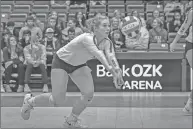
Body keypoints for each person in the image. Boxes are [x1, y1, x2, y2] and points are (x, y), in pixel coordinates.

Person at [20, 15, 124, 128]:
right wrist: (113, 73)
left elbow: (110, 56)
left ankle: (71, 120)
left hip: (78, 65)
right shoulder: (87, 38)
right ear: (96, 28)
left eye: (109, 25)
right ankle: (30, 101)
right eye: (104, 25)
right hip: (61, 62)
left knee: (88, 93)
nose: (108, 28)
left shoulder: (107, 42)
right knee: (57, 100)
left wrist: (117, 72)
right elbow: (100, 56)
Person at [170, 1, 192, 114]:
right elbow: (184, 27)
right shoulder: (192, 12)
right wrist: (174, 42)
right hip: (191, 45)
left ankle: (189, 103)